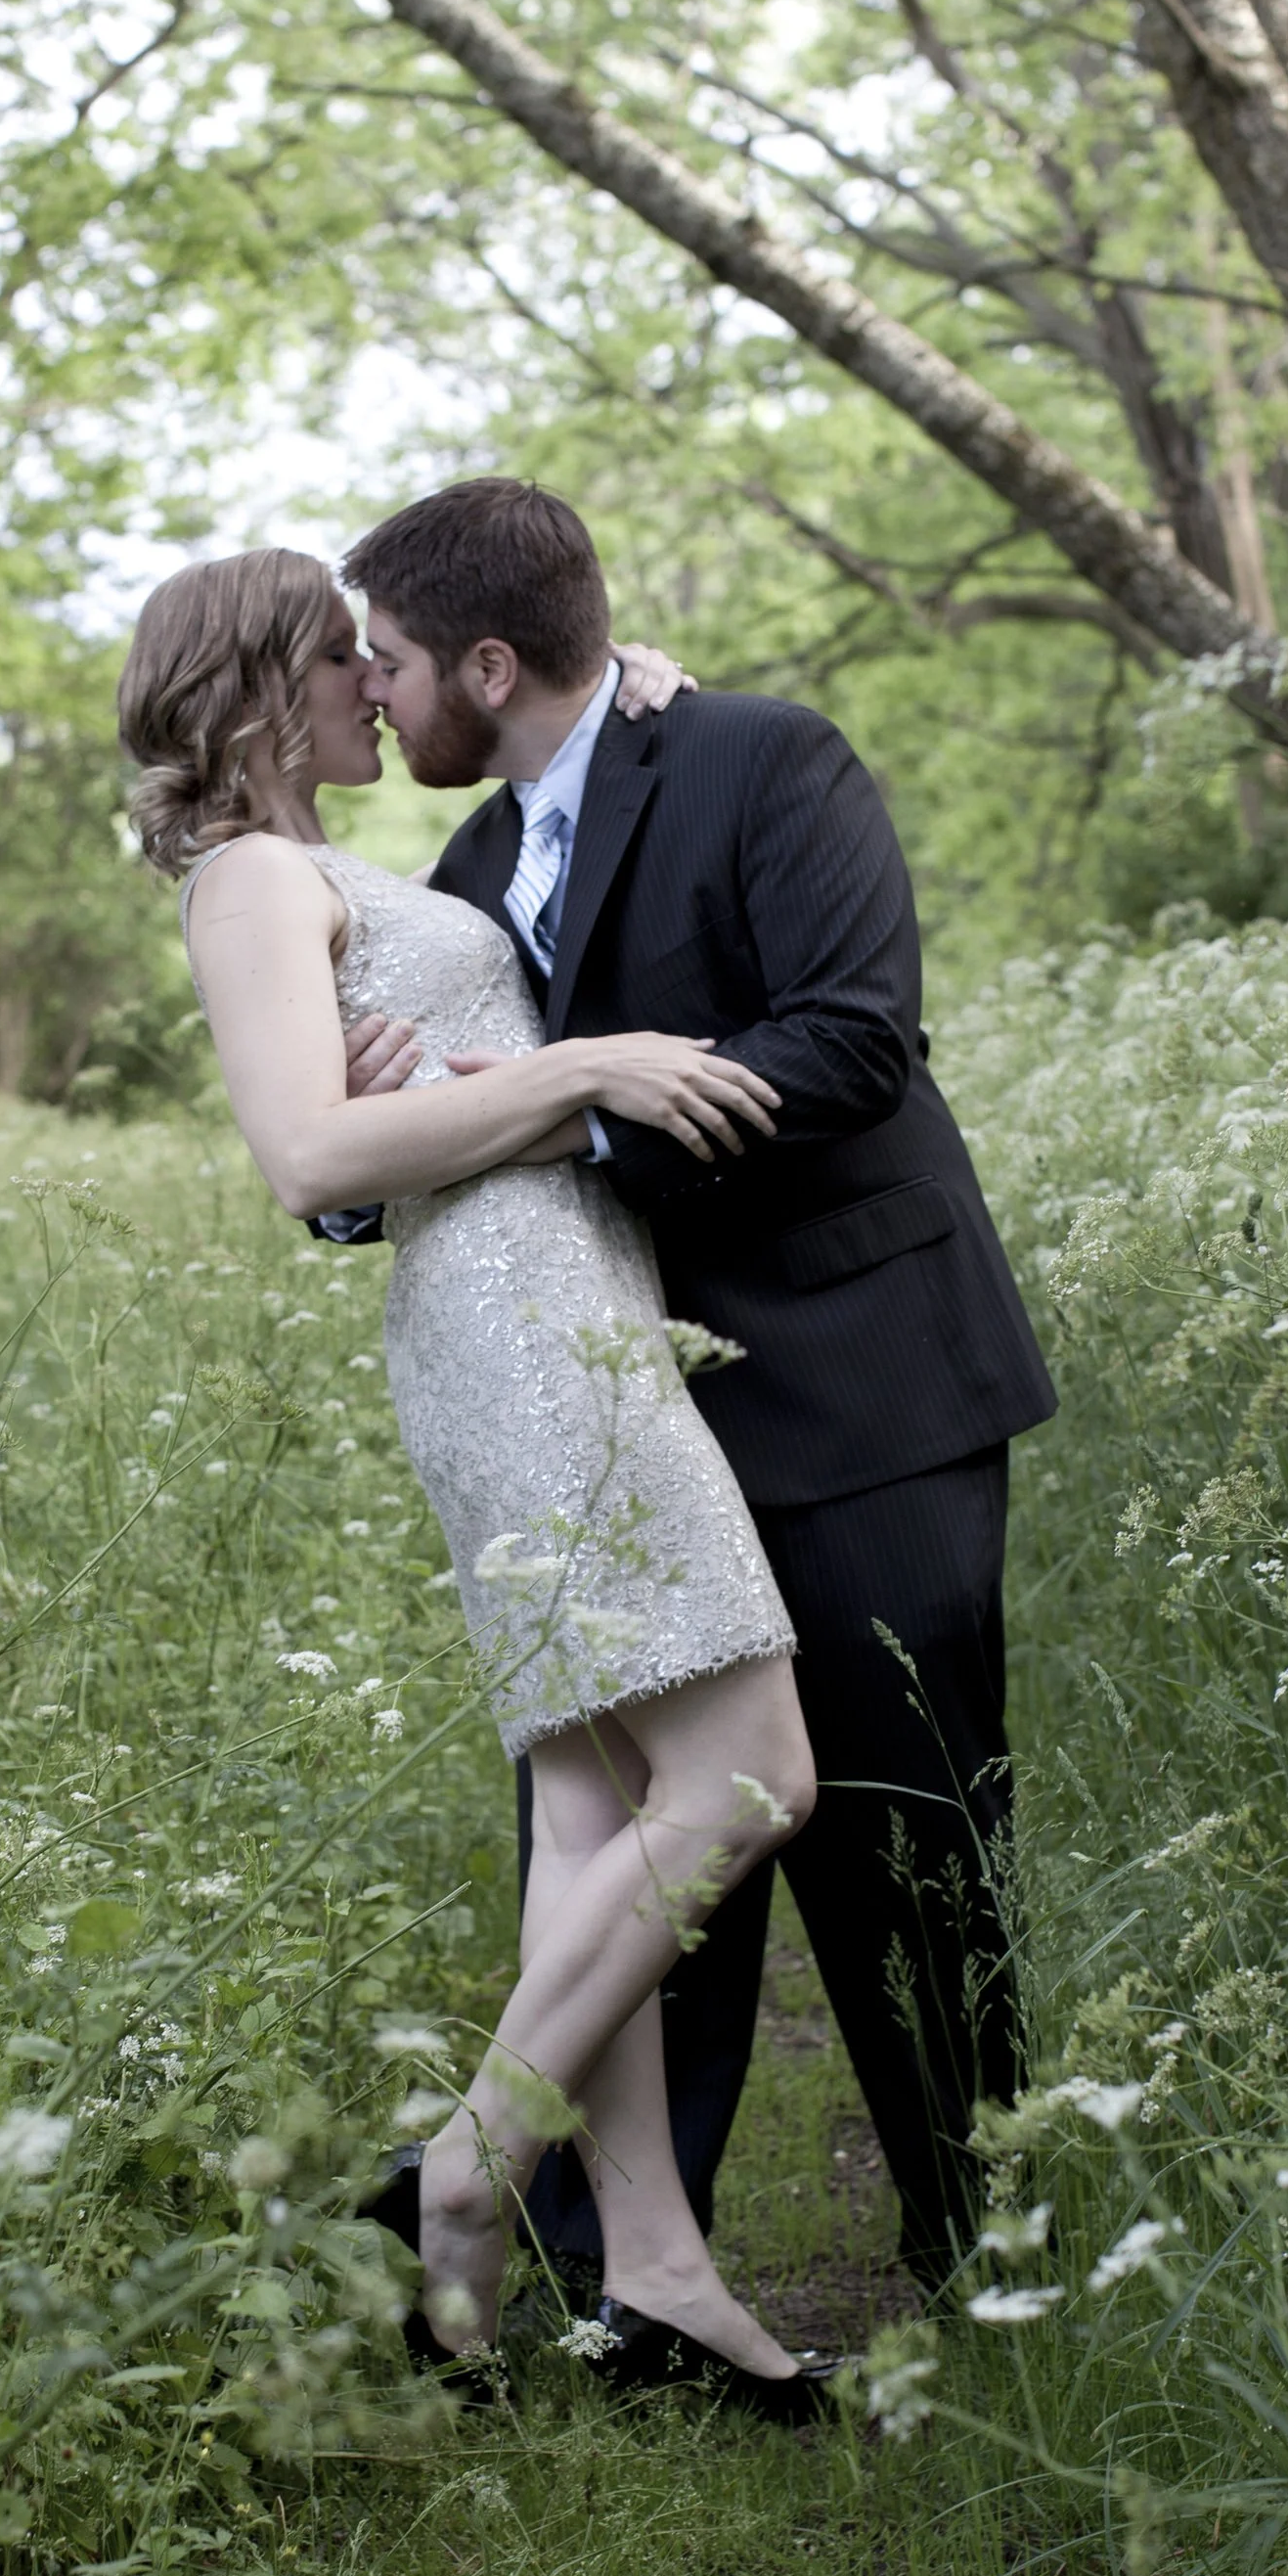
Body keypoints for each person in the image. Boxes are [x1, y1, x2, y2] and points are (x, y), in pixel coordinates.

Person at [119, 547, 837, 2419]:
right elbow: (309, 1153)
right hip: (518, 1331)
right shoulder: (254, 876)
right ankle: (472, 2157)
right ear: (272, 682)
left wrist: (628, 683)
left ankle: (660, 2274)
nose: (384, 685)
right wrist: (590, 1059)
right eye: (349, 660)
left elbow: (418, 1082)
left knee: (597, 1815)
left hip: (556, 1294)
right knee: (755, 1767)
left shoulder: (349, 870)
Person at [330, 479, 1058, 2295]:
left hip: (860, 1374)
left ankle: (998, 2251)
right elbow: (399, 1134)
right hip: (624, 1416)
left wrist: (589, 1102)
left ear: (489, 663)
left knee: (911, 1832)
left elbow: (853, 1033)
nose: (375, 690)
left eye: (395, 660)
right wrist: (398, 1121)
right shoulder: (470, 874)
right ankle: (621, 2281)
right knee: (649, 1852)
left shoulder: (762, 758)